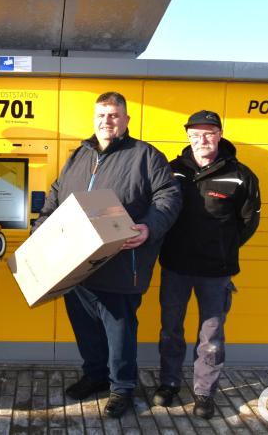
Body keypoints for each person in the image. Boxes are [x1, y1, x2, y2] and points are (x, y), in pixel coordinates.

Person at [33, 92, 181, 418]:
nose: (107, 121)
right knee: (85, 326)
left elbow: (168, 197)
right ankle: (95, 375)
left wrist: (148, 227)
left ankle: (122, 388)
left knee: (119, 331)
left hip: (120, 263)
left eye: (114, 115)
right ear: (94, 119)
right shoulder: (79, 156)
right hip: (75, 265)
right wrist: (40, 231)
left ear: (127, 120)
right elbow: (56, 197)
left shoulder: (146, 156)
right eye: (102, 115)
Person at [153, 110, 261, 419]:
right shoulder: (171, 171)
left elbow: (248, 222)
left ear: (220, 134)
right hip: (175, 266)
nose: (202, 139)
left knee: (211, 337)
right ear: (187, 136)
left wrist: (222, 247)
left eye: (209, 133)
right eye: (195, 133)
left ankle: (204, 392)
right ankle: (169, 383)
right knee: (171, 330)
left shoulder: (241, 175)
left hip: (216, 272)